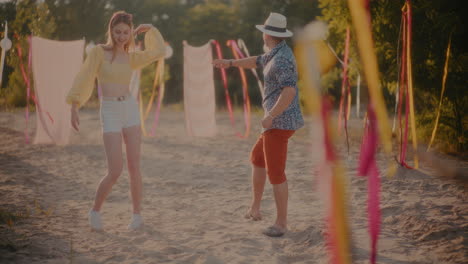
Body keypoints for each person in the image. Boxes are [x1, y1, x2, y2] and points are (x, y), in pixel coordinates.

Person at [66, 11, 166, 230]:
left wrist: (150, 28)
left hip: (129, 109)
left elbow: (159, 51)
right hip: (110, 110)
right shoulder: (98, 52)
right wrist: (74, 104)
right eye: (117, 31)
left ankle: (137, 216)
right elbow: (84, 76)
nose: (121, 36)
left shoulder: (132, 56)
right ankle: (95, 211)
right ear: (111, 31)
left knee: (134, 167)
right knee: (115, 170)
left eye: (125, 32)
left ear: (131, 33)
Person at [213, 12, 304, 237]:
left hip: (279, 122)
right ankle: (255, 209)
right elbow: (256, 60)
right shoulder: (274, 52)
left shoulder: (281, 59)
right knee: (257, 158)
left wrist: (271, 115)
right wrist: (231, 63)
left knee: (276, 173)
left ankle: (281, 223)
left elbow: (290, 90)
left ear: (267, 34)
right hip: (275, 121)